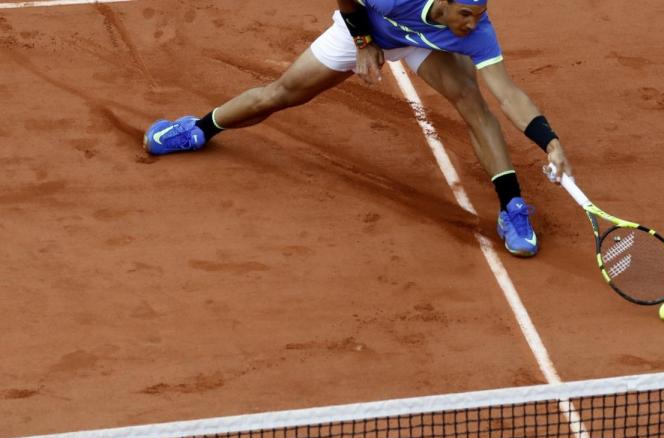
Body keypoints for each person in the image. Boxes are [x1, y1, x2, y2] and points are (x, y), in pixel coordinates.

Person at [143, 0, 572, 257]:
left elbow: (509, 94)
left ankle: (512, 209)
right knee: (284, 92)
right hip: (369, 26)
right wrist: (365, 44)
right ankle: (197, 128)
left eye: (479, 14)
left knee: (474, 103)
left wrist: (548, 141)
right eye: (466, 14)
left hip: (423, 43)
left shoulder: (474, 31)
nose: (472, 24)